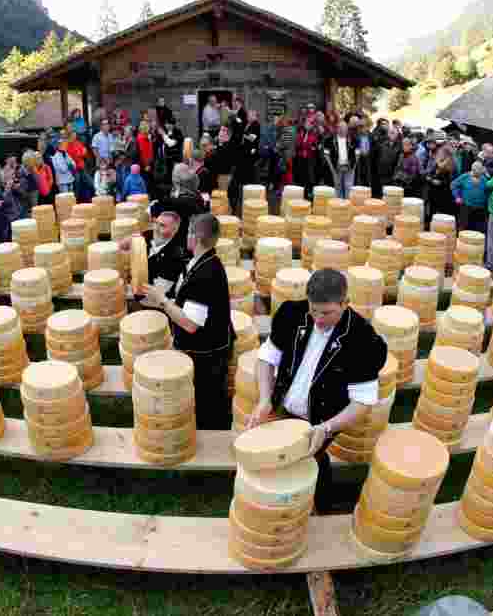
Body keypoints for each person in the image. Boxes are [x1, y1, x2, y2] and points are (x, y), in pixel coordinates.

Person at [246, 268, 388, 513]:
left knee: (307, 457)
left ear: (346, 303)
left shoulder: (364, 340)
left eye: (327, 312)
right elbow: (267, 359)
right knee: (286, 458)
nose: (318, 319)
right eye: (313, 310)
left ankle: (319, 505)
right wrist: (265, 399)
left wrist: (326, 428)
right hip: (284, 403)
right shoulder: (292, 313)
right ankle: (293, 504)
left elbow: (362, 402)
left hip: (325, 416)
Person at [140, 214, 233, 431]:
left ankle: (214, 450)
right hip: (206, 350)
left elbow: (190, 324)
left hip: (207, 355)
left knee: (208, 407)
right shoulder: (202, 262)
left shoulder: (205, 273)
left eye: (188, 232)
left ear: (196, 238)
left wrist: (162, 300)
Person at [322, 121, 356, 199]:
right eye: (340, 128)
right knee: (337, 188)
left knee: (348, 188)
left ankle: (347, 204)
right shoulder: (329, 140)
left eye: (344, 128)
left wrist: (352, 167)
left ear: (347, 129)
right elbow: (326, 155)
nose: (342, 130)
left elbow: (357, 155)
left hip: (349, 168)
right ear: (337, 129)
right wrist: (333, 170)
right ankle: (337, 206)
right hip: (336, 168)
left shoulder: (353, 140)